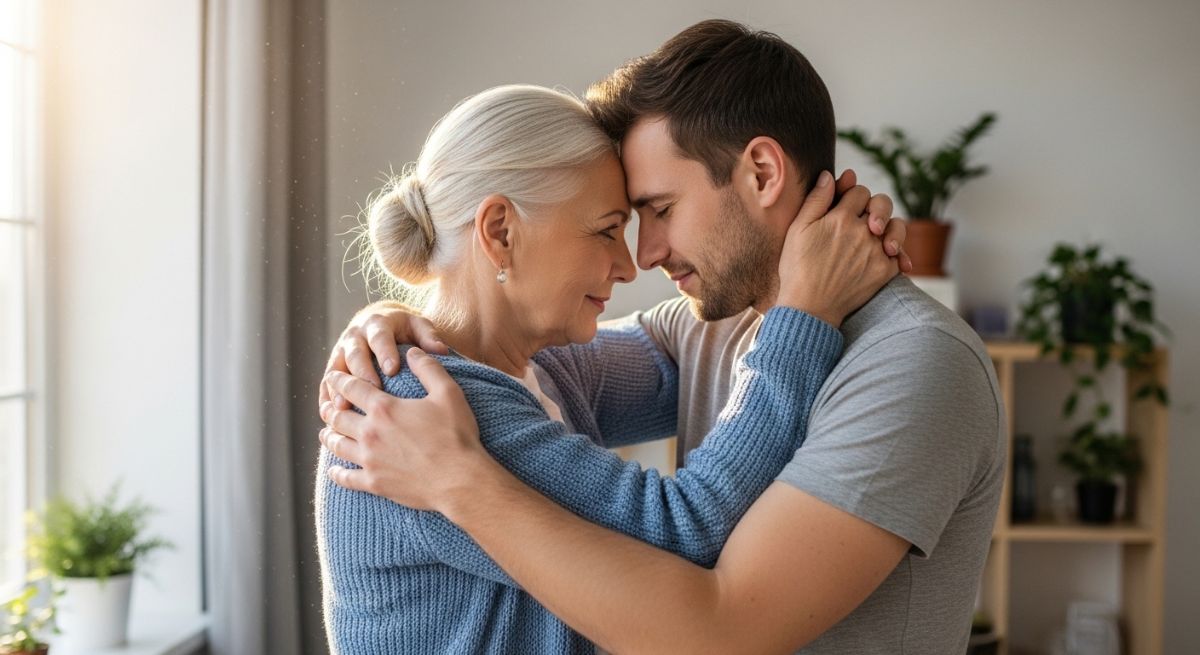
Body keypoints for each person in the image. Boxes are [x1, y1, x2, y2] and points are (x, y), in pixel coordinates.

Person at [321, 19, 1005, 654]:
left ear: (762, 173)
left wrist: (460, 475)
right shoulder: (433, 405)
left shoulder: (913, 361)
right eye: (613, 227)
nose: (640, 258)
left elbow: (715, 615)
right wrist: (386, 324)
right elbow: (672, 522)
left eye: (659, 209)